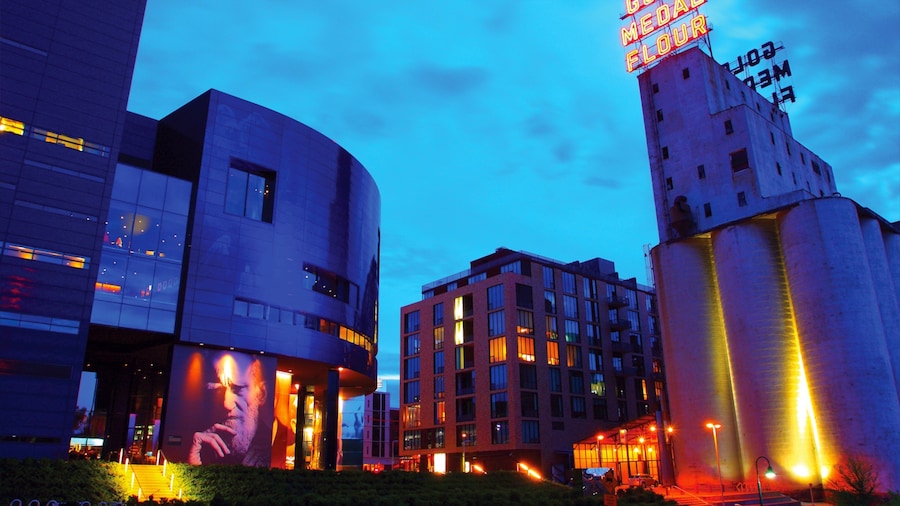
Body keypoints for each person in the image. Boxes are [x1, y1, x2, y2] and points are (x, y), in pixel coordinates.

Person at [188, 352, 269, 466]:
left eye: (238, 389)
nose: (226, 404)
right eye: (216, 390)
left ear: (261, 394)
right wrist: (194, 465)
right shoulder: (202, 446)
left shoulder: (271, 450)